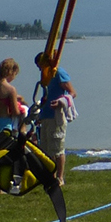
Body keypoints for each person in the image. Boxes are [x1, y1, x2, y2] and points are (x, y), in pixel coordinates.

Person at [33, 52, 75, 184]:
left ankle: (60, 177)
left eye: (41, 66)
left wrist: (61, 101)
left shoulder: (59, 73)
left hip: (56, 116)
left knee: (57, 148)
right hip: (45, 115)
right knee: (45, 148)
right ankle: (50, 175)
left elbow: (72, 93)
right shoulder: (46, 76)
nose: (40, 69)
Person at [0, 58, 27, 137]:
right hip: (4, 122)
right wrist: (23, 110)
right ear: (10, 73)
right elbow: (15, 112)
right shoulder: (11, 89)